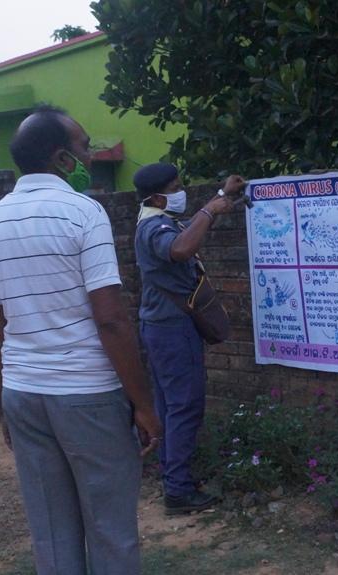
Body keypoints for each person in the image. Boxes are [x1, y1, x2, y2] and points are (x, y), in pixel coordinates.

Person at [0, 105, 163, 575]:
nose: (89, 156)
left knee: (52, 533)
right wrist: (142, 404)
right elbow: (113, 321)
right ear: (61, 159)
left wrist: (4, 404)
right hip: (87, 395)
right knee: (111, 529)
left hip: (23, 394)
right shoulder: (84, 213)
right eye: (82, 148)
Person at [133, 162, 244, 514]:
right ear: (157, 198)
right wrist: (211, 209)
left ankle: (174, 479)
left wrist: (223, 194)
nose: (181, 191)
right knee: (185, 406)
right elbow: (180, 249)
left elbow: (185, 231)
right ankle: (178, 491)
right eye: (175, 186)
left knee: (170, 406)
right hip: (172, 329)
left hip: (164, 327)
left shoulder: (158, 220)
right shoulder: (154, 227)